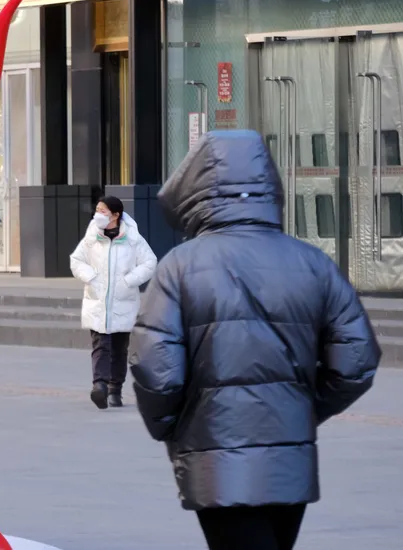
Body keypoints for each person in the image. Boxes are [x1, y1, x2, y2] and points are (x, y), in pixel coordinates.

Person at [130, 130, 380, 550]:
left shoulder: (178, 268)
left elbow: (156, 370)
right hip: (289, 456)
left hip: (215, 454)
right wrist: (303, 409)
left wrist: (174, 428)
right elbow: (356, 359)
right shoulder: (312, 262)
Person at [69, 195, 156, 409]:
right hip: (97, 301)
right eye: (97, 210)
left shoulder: (132, 239)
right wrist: (90, 277)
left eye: (103, 211)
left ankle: (115, 389)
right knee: (100, 344)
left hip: (123, 302)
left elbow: (149, 262)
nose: (98, 214)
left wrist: (129, 281)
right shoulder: (92, 237)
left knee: (119, 349)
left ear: (116, 215)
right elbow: (76, 260)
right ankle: (99, 386)